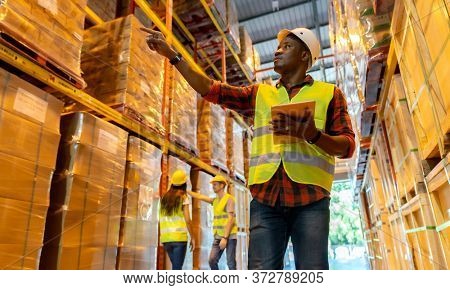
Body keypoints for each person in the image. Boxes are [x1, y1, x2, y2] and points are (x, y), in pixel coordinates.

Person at [142, 26, 355, 270]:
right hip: (266, 200)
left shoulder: (329, 94)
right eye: (278, 47)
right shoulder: (260, 94)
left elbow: (347, 146)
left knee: (312, 272)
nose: (277, 52)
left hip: (311, 202)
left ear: (305, 55)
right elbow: (210, 89)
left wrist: (314, 135)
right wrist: (173, 55)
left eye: (287, 47)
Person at [187, 175, 237, 270]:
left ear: (222, 186)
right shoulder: (215, 200)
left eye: (215, 184)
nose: (213, 186)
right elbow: (200, 196)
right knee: (212, 260)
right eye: (212, 184)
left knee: (231, 263)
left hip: (229, 236)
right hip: (218, 235)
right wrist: (187, 191)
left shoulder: (229, 199)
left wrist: (225, 238)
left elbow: (231, 219)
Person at [159, 169, 195, 270]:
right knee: (177, 269)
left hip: (166, 239)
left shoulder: (164, 198)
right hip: (179, 239)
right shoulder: (183, 197)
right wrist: (193, 237)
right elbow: (188, 220)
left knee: (176, 267)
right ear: (184, 183)